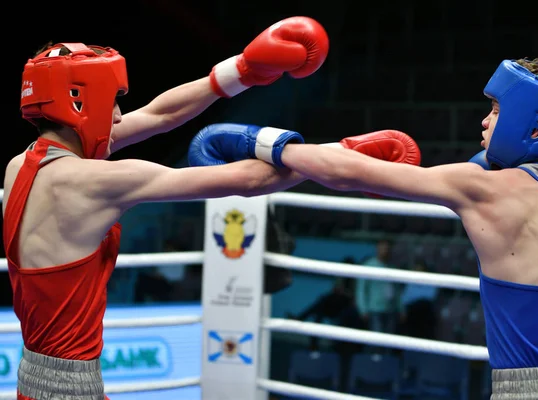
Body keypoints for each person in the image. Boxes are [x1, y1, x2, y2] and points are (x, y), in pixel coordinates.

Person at [192, 58, 538, 398]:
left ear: (534, 126)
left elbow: (345, 173)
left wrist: (259, 141)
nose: (484, 121)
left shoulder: (487, 189)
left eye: (496, 110)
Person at [1, 17, 341, 400]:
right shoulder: (97, 182)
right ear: (80, 100)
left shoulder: (22, 164)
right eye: (112, 101)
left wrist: (241, 70)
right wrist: (342, 157)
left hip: (32, 380)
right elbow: (253, 180)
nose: (116, 116)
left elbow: (158, 115)